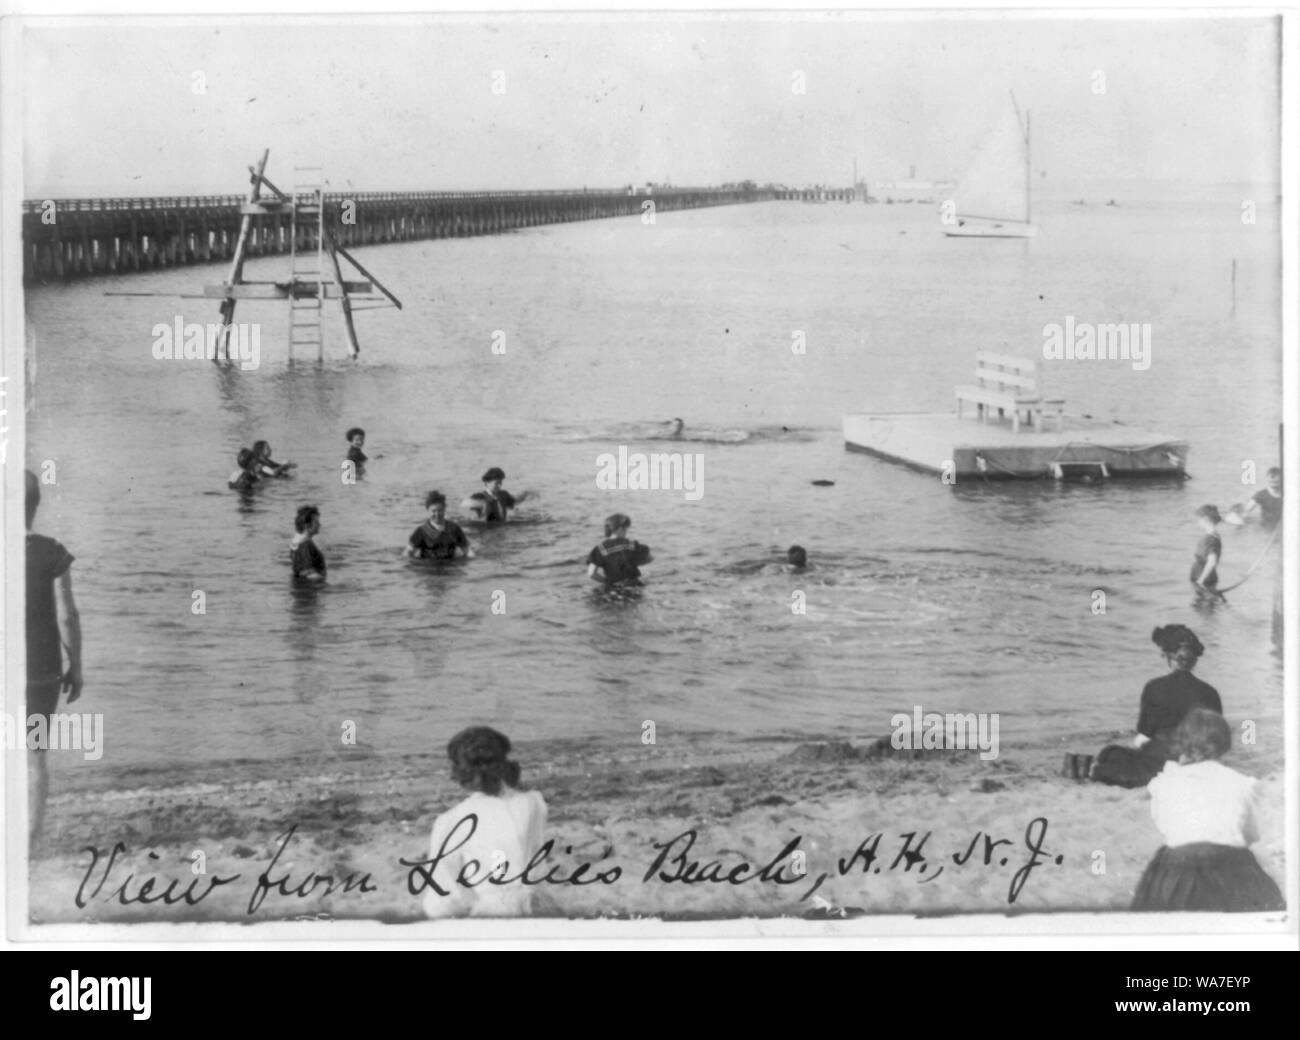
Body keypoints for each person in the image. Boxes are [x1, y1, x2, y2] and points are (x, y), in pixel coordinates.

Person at [1131, 709, 1284, 912]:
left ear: (1183, 743)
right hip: (1231, 867)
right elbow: (1251, 835)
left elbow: (1165, 827)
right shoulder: (1243, 784)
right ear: (1223, 744)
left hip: (1177, 867)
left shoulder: (1164, 783)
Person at [420, 727, 548, 918]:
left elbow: (443, 897)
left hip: (492, 912)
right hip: (538, 905)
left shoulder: (451, 821)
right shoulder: (534, 803)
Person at [25, 469, 83, 845]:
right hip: (41, 671)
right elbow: (66, 614)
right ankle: (30, 840)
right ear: (36, 505)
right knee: (34, 755)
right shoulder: (51, 551)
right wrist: (75, 664)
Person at [1090, 625, 1222, 788]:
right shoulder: (1211, 693)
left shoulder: (1154, 687)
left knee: (1109, 754)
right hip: (1197, 761)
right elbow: (1216, 739)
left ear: (1166, 656)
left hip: (1160, 760)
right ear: (1194, 659)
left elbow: (1144, 735)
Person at [587, 513, 652, 587]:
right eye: (626, 529)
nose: (626, 532)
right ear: (621, 528)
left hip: (614, 587)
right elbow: (649, 558)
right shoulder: (632, 545)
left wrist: (607, 581)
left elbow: (591, 574)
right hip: (634, 585)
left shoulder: (600, 549)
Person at [406, 491, 475, 560]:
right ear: (428, 511)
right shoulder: (421, 531)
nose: (437, 514)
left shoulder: (454, 528)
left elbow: (467, 550)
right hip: (428, 567)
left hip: (451, 568)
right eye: (433, 511)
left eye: (440, 510)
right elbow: (408, 553)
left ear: (444, 509)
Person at [1190, 505, 1223, 598]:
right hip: (1207, 579)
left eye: (1198, 520)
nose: (1198, 523)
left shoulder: (1210, 539)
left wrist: (1201, 580)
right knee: (1203, 607)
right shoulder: (1214, 536)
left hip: (1204, 581)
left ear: (1205, 519)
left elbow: (1212, 562)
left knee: (1204, 609)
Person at [1239, 468, 1282, 533]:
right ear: (1268, 480)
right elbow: (1247, 510)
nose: (1274, 484)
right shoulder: (1261, 494)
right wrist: (1241, 522)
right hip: (1267, 526)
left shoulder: (1288, 493)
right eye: (1272, 481)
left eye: (1277, 482)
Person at [290, 505, 326, 581]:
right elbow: (309, 574)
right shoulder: (305, 545)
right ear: (307, 525)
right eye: (316, 522)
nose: (319, 525)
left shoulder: (296, 543)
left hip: (301, 588)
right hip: (309, 589)